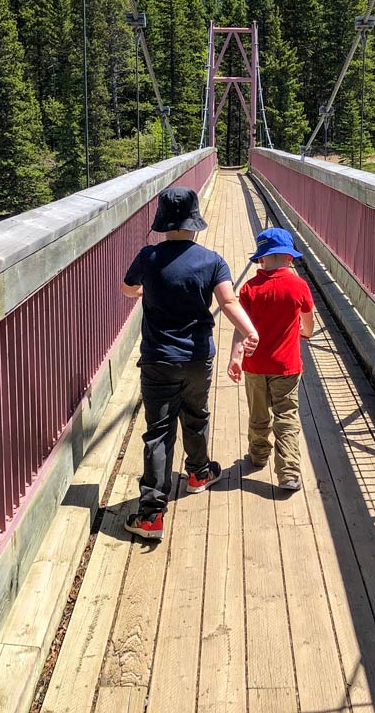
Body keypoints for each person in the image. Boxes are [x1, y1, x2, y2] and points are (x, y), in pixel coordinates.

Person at [121, 185, 259, 540]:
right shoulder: (212, 261)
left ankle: (151, 514)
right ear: (195, 223)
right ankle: (199, 472)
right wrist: (249, 331)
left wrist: (144, 290)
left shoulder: (148, 257)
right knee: (196, 415)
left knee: (159, 432)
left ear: (162, 223)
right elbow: (228, 303)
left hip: (159, 359)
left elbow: (126, 288)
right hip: (198, 357)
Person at [227, 227, 314, 491]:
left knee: (258, 413)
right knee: (286, 415)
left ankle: (258, 454)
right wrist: (305, 332)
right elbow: (308, 322)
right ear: (289, 257)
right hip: (287, 367)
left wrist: (235, 357)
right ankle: (288, 472)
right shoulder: (298, 286)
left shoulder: (250, 289)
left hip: (254, 365)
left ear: (261, 258)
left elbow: (240, 327)